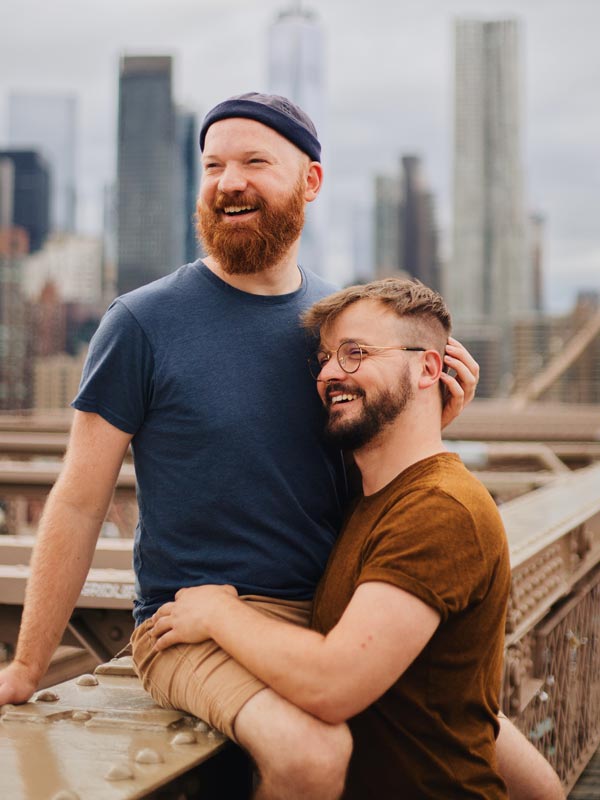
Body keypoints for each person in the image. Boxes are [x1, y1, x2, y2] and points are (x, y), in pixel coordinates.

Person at [0, 94, 561, 799]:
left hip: (335, 615)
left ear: (311, 182)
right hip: (195, 621)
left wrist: (430, 414)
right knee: (310, 753)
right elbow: (80, 503)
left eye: (254, 162)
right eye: (213, 165)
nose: (228, 180)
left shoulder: (338, 328)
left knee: (474, 725)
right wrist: (26, 666)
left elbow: (369, 470)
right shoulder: (140, 323)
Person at [150, 278, 564, 799]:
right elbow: (457, 709)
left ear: (428, 368)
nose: (328, 374)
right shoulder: (372, 502)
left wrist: (216, 612)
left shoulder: (440, 510)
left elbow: (333, 684)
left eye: (356, 353)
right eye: (324, 358)